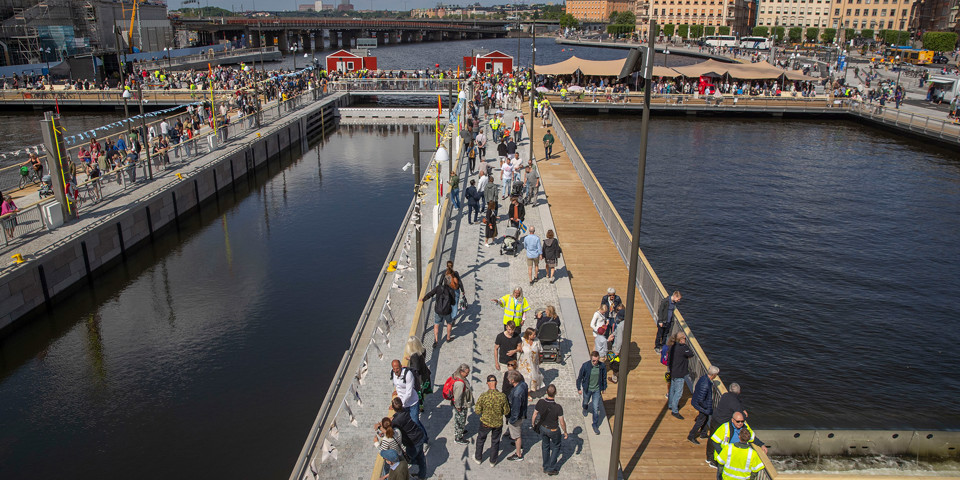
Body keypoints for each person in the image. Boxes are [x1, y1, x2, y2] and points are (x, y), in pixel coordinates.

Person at [473, 374, 510, 466]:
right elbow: (506, 411)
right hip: (497, 423)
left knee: (481, 439)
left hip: (485, 422)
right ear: (496, 383)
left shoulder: (483, 396)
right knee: (495, 441)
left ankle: (478, 458)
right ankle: (493, 461)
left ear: (487, 383)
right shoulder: (502, 396)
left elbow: (477, 411)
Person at [532, 384, 568, 476]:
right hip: (553, 430)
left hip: (543, 428)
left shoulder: (540, 402)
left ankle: (545, 466)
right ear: (555, 393)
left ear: (546, 392)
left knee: (545, 446)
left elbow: (535, 415)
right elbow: (562, 422)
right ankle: (551, 468)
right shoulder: (558, 407)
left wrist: (533, 424)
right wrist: (565, 432)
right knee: (556, 446)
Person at [390, 397, 427, 478]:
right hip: (419, 435)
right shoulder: (405, 411)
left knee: (408, 459)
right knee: (420, 456)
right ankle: (422, 475)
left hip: (412, 442)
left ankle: (418, 466)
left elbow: (391, 428)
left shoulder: (396, 421)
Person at [390, 359, 426, 439]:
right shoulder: (393, 373)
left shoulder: (408, 374)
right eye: (394, 369)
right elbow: (397, 386)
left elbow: (409, 393)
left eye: (397, 369)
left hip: (412, 403)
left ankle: (424, 439)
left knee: (415, 422)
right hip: (402, 404)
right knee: (405, 422)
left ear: (401, 367)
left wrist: (399, 404)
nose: (396, 371)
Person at [421, 273, 457, 348]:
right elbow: (453, 303)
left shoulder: (438, 288)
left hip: (438, 310)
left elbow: (430, 294)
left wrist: (423, 299)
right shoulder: (451, 290)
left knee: (436, 324)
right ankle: (448, 338)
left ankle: (436, 340)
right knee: (449, 323)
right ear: (450, 282)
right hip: (447, 311)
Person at [576, 351, 608, 435]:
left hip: (597, 390)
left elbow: (604, 377)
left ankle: (595, 424)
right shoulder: (585, 366)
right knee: (586, 401)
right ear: (591, 359)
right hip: (587, 388)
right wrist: (579, 388)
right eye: (593, 361)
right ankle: (585, 408)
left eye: (596, 360)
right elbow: (580, 377)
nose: (595, 362)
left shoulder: (602, 366)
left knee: (596, 408)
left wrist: (604, 388)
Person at [667, 331, 694, 420]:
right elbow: (691, 354)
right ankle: (674, 410)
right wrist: (685, 346)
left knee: (672, 389)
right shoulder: (683, 348)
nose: (685, 340)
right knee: (678, 392)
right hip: (679, 372)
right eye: (685, 338)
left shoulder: (672, 347)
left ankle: (670, 404)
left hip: (673, 371)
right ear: (681, 339)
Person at [689, 366, 720, 444]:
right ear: (713, 375)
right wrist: (706, 407)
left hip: (701, 404)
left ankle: (703, 433)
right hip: (703, 406)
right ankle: (691, 436)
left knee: (705, 419)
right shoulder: (706, 384)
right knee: (700, 421)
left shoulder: (703, 378)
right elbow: (701, 400)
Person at [505, 370, 528, 462]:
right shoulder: (523, 385)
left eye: (509, 379)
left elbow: (516, 409)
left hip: (516, 417)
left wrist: (511, 420)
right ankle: (517, 443)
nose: (508, 380)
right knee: (517, 433)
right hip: (523, 413)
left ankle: (518, 454)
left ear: (513, 381)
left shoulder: (516, 394)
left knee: (516, 435)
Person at [404, 336, 430, 413]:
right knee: (422, 392)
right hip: (425, 374)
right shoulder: (422, 350)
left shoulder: (414, 356)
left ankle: (420, 407)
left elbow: (415, 369)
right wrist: (410, 359)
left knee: (419, 393)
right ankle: (421, 405)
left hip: (420, 378)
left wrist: (406, 369)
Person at [450, 363, 474, 445]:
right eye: (467, 372)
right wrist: (458, 406)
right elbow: (458, 397)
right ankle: (458, 437)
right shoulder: (460, 383)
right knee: (460, 419)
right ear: (461, 371)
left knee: (459, 418)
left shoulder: (458, 377)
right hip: (461, 404)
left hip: (461, 403)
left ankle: (460, 430)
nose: (468, 374)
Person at [517, 327, 543, 396]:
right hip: (525, 364)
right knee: (527, 378)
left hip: (534, 363)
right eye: (533, 335)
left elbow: (540, 351)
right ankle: (527, 393)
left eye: (535, 335)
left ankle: (532, 389)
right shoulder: (522, 341)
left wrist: (540, 359)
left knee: (534, 377)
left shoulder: (537, 341)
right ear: (529, 335)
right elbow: (518, 350)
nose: (535, 336)